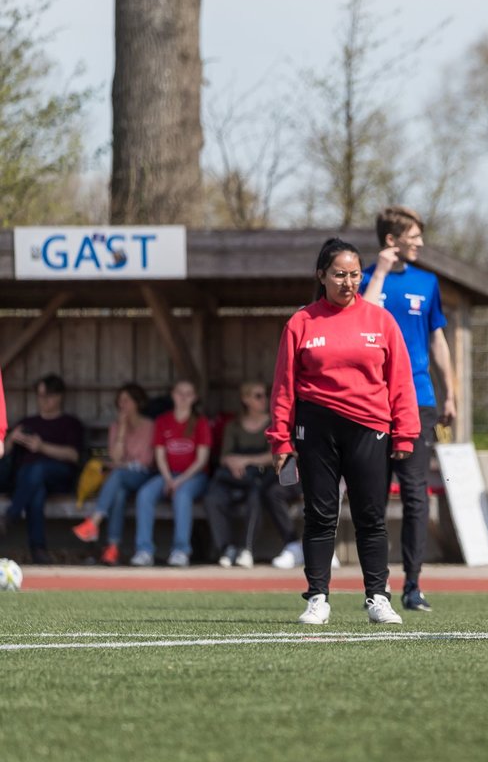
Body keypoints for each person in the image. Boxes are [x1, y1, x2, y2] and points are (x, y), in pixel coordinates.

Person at [268, 236, 420, 625]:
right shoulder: (301, 322)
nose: (348, 282)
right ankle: (317, 598)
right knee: (320, 515)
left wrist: (405, 433)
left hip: (370, 428)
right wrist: (281, 439)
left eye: (354, 275)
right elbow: (284, 387)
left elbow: (400, 381)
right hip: (315, 428)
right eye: (339, 274)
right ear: (321, 276)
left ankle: (378, 598)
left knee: (372, 517)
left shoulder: (381, 321)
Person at [360, 205, 457, 614]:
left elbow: (437, 340)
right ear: (391, 240)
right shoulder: (363, 279)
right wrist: (378, 275)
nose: (419, 243)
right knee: (373, 498)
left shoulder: (427, 282)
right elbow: (357, 321)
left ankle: (413, 586)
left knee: (416, 496)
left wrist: (449, 392)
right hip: (371, 402)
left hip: (418, 401)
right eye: (413, 236)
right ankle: (376, 588)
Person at [205, 380, 303, 568]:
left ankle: (246, 549)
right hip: (236, 477)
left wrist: (247, 461)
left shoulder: (274, 422)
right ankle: (226, 548)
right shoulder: (233, 425)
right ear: (245, 399)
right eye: (258, 396)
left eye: (265, 395)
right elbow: (225, 456)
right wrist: (233, 463)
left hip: (264, 477)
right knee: (212, 498)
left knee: (256, 495)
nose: (263, 399)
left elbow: (279, 454)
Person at [0, 374, 85, 564]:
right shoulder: (28, 422)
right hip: (26, 479)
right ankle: (38, 550)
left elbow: (74, 456)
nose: (43, 400)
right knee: (36, 489)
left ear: (59, 396)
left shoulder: (69, 423)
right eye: (40, 396)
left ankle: (11, 515)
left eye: (47, 396)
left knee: (36, 470)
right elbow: (3, 454)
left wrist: (41, 447)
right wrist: (11, 440)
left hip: (59, 476)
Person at [71, 383, 155, 566]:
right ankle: (112, 548)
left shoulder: (149, 426)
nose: (122, 405)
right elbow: (115, 457)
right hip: (122, 479)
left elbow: (146, 461)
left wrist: (122, 465)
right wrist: (122, 429)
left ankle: (94, 521)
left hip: (145, 478)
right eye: (120, 401)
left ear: (138, 402)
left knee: (116, 475)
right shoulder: (116, 426)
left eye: (127, 400)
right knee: (118, 493)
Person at [131, 379, 212, 567]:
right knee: (144, 494)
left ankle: (181, 550)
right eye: (179, 393)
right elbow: (160, 454)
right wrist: (168, 479)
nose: (183, 397)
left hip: (194, 477)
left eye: (188, 393)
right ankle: (144, 551)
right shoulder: (163, 420)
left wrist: (179, 481)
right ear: (172, 395)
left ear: (194, 398)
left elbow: (201, 460)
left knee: (182, 495)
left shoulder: (200, 422)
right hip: (168, 475)